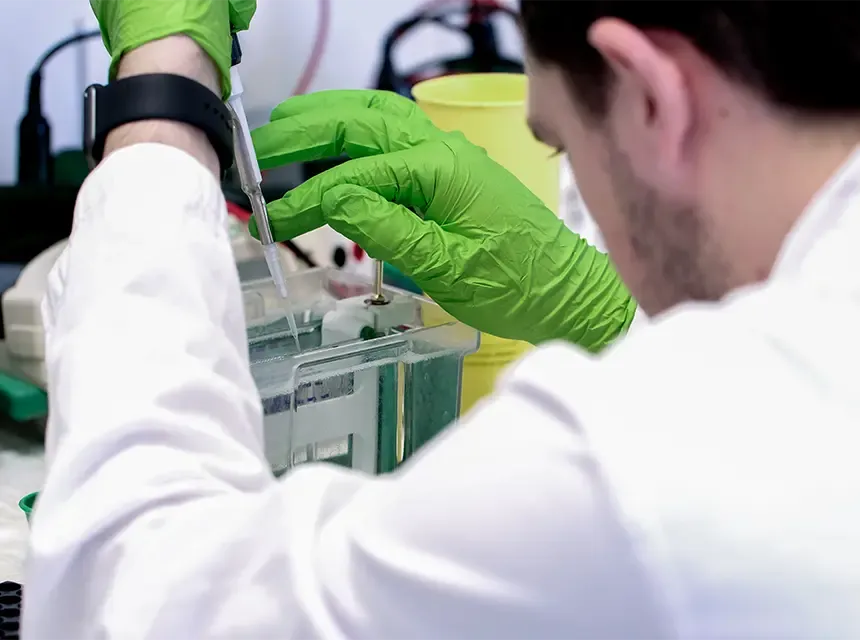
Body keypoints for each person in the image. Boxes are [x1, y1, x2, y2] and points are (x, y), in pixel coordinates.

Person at [22, 0, 860, 637]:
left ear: (650, 96)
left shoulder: (623, 475)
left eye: (560, 144)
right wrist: (611, 313)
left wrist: (162, 98)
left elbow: (127, 595)